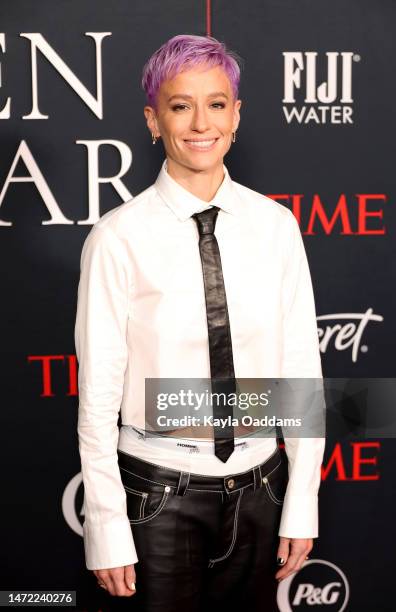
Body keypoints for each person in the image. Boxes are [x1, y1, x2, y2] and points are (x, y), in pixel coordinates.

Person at [74, 34, 326, 611]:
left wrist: (302, 500)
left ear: (236, 115)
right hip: (158, 496)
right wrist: (107, 526)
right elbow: (97, 397)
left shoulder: (276, 227)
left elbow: (300, 371)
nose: (199, 123)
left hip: (263, 485)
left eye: (216, 104)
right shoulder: (117, 238)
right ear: (153, 120)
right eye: (179, 105)